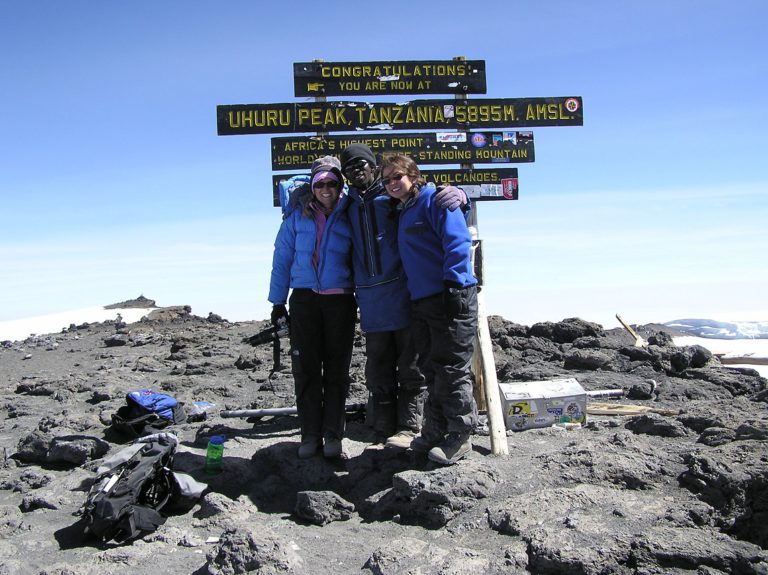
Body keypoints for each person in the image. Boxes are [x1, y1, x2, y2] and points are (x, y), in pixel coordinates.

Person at [339, 144, 468, 450]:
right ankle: (382, 431)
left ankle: (410, 428)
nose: (357, 171)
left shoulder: (396, 198)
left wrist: (462, 195)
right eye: (349, 168)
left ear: (373, 166)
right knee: (378, 366)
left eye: (362, 164)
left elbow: (438, 206)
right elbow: (310, 190)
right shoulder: (344, 203)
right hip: (371, 299)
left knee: (414, 366)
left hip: (406, 293)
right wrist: (300, 195)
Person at [380, 153, 478, 465]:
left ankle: (461, 434)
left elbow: (458, 241)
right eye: (386, 180)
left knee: (451, 368)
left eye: (397, 176)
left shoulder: (437, 200)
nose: (392, 183)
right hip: (422, 300)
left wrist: (454, 283)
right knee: (430, 368)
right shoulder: (404, 210)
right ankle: (435, 430)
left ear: (413, 175)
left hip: (451, 295)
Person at [268, 156, 357, 459]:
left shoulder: (351, 212)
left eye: (332, 182)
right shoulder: (297, 217)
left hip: (340, 300)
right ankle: (309, 434)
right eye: (320, 183)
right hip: (304, 299)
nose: (326, 189)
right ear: (312, 185)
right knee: (306, 370)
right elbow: (282, 260)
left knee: (337, 370)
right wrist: (277, 302)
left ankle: (333, 435)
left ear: (340, 184)